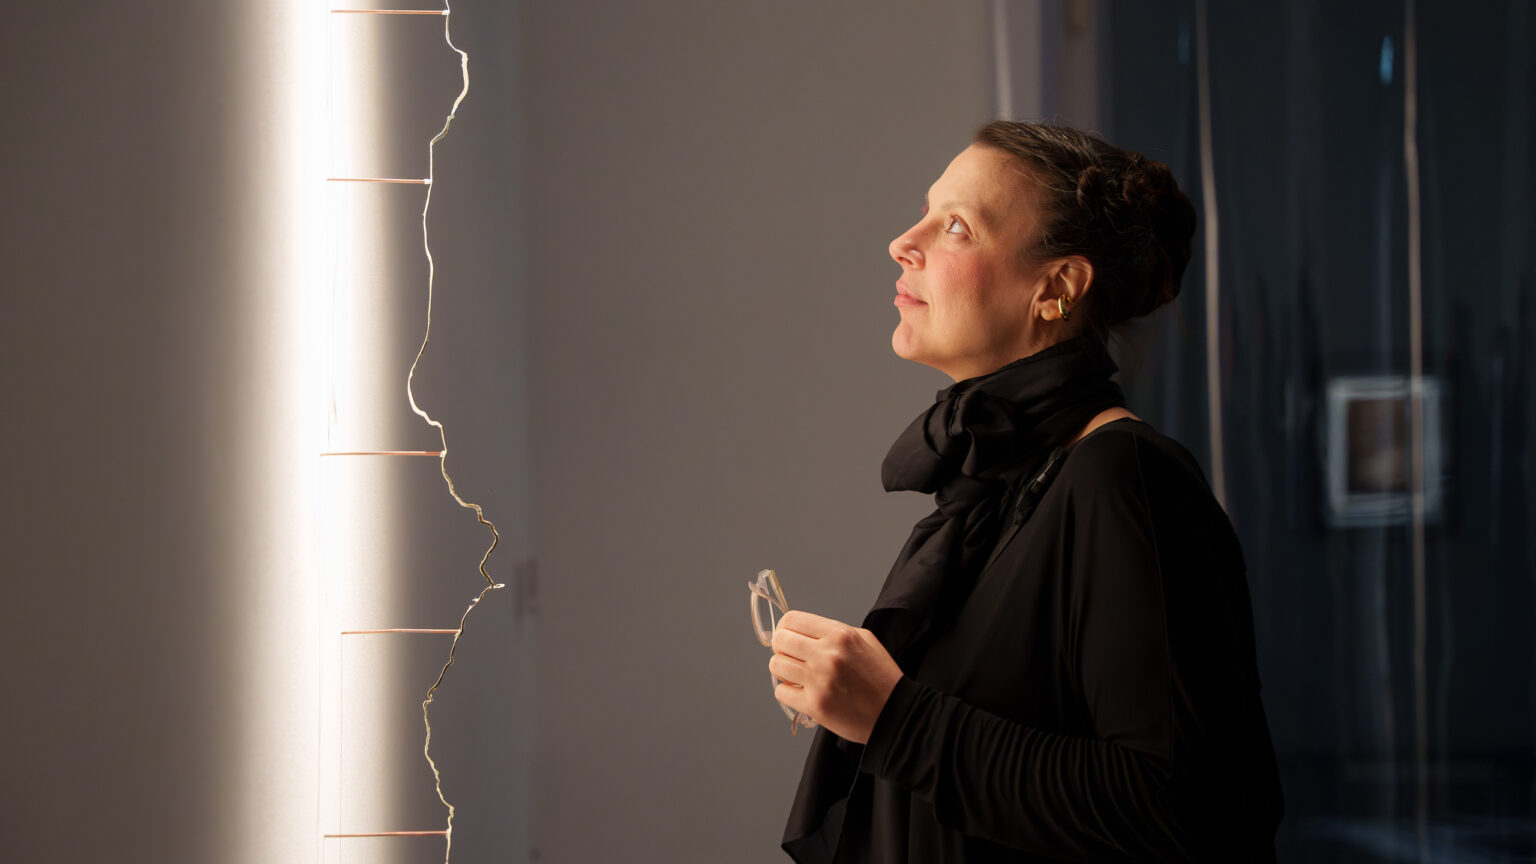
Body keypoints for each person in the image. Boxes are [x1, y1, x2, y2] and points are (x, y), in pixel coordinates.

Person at [767, 121, 1285, 863]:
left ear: (1056, 288)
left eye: (956, 227)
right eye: (926, 212)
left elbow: (1190, 810)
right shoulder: (996, 487)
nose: (902, 243)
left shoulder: (1126, 480)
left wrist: (895, 718)